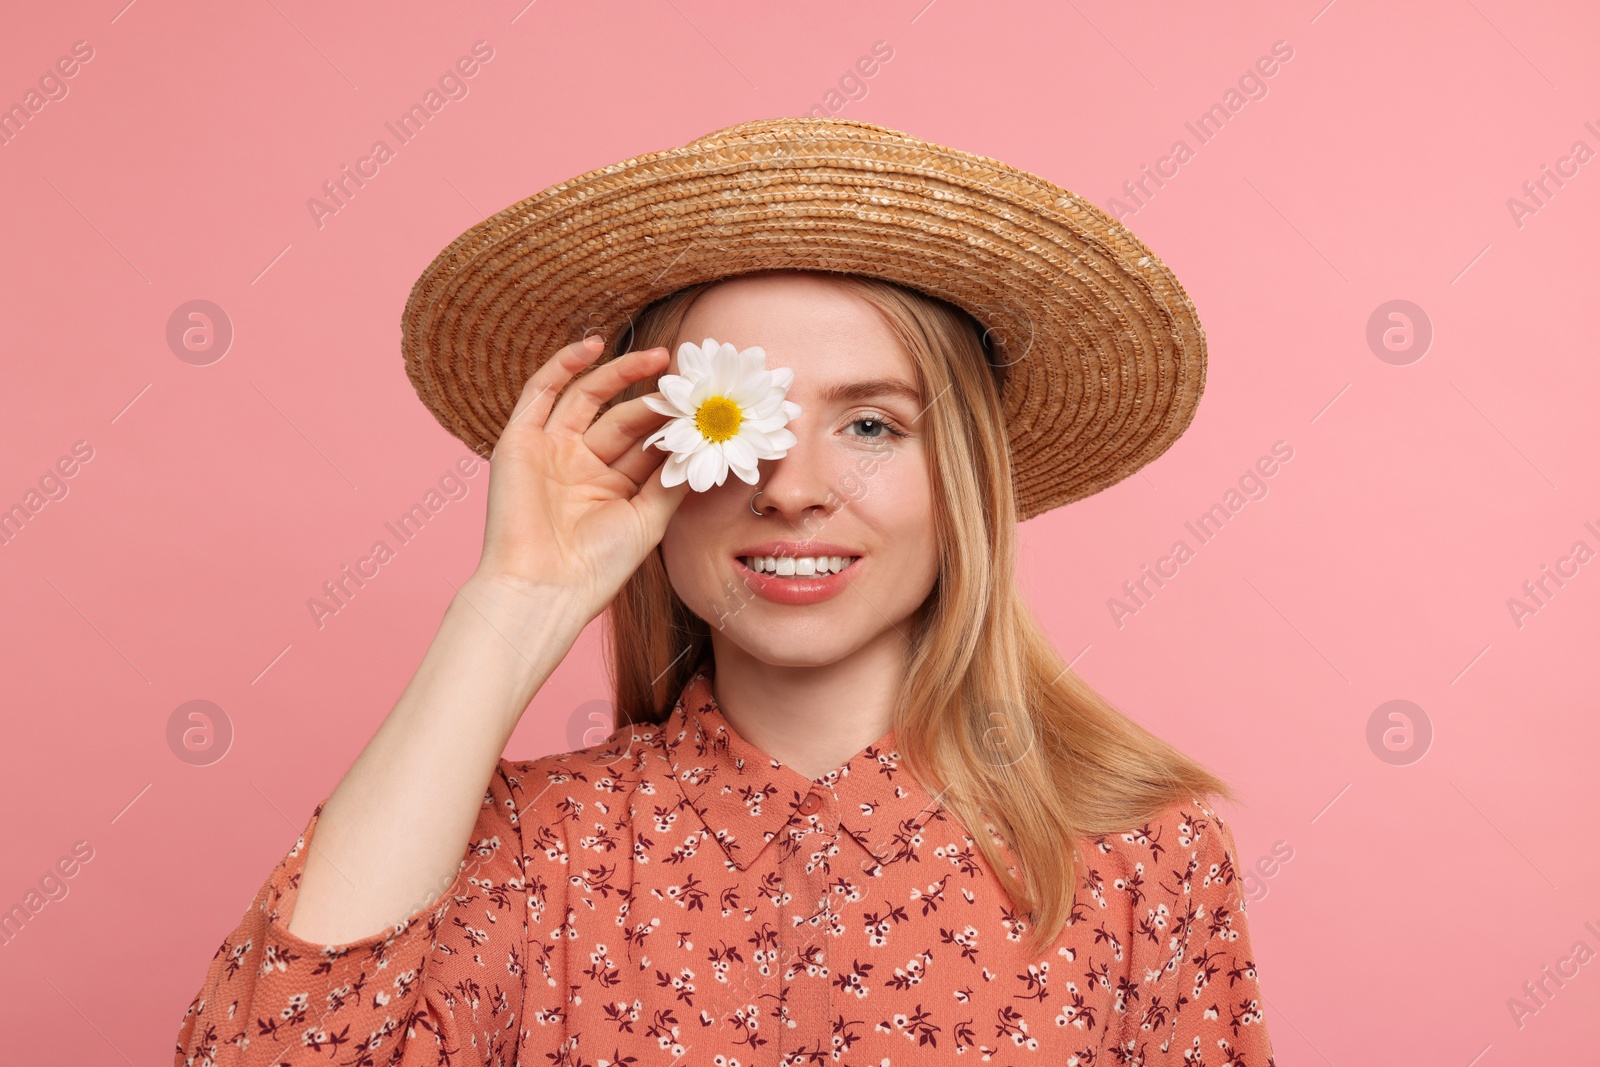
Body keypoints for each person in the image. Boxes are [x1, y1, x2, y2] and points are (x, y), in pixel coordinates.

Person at [175, 118, 1275, 1066]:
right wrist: (513, 598)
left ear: (965, 479)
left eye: (870, 425)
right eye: (734, 424)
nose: (795, 491)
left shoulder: (1143, 862)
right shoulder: (519, 848)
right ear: (654, 460)